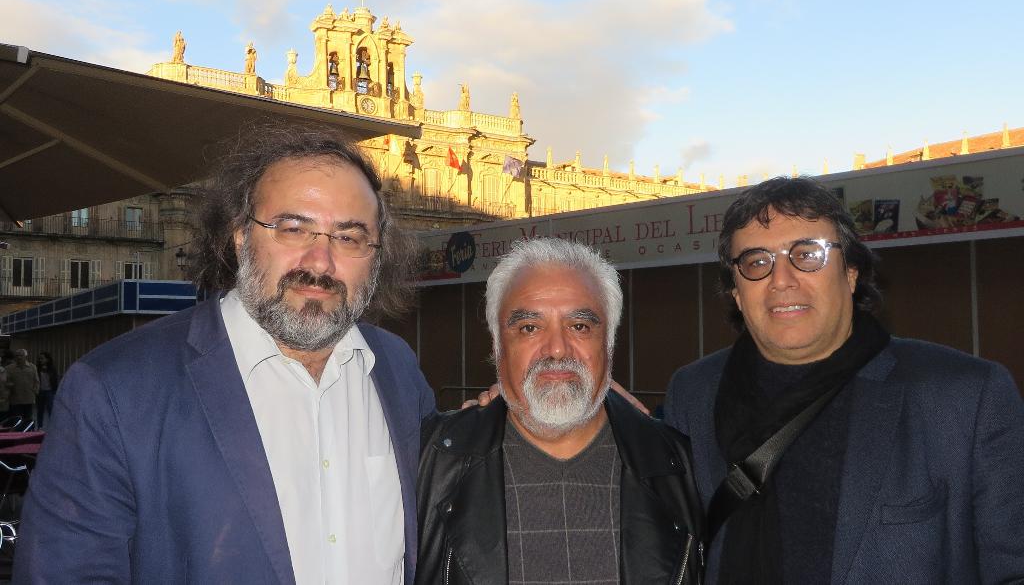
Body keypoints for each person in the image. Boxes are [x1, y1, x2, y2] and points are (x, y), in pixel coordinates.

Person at [15, 124, 436, 583]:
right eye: (293, 229)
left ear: (376, 254)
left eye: (349, 238)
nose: (320, 262)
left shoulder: (397, 369)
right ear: (240, 236)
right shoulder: (114, 389)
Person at [664, 176, 1024, 584]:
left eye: (807, 254)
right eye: (757, 262)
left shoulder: (966, 396)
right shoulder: (693, 394)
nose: (781, 280)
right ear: (736, 292)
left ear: (851, 272)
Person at [417, 237, 704, 585]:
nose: (556, 349)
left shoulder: (686, 469)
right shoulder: (428, 465)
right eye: (529, 328)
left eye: (580, 326)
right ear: (497, 346)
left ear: (609, 346)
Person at [5, 349, 39, 424]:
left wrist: (35, 391)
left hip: (29, 398)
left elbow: (36, 381)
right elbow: (5, 381)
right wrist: (9, 385)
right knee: (16, 419)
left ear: (25, 356)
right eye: (17, 356)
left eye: (21, 355)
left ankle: (28, 433)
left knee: (28, 419)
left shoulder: (32, 367)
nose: (19, 357)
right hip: (15, 399)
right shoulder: (9, 368)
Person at [34, 352, 59, 428]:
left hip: (49, 391)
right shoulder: (36, 368)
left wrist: (55, 390)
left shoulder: (52, 369)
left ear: (47, 359)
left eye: (42, 358)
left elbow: (55, 380)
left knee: (50, 409)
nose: (40, 360)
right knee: (40, 410)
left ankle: (53, 427)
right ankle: (40, 427)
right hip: (40, 391)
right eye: (39, 358)